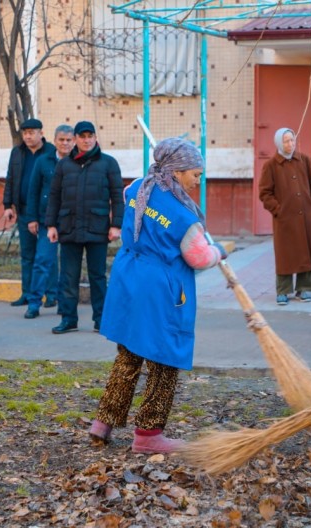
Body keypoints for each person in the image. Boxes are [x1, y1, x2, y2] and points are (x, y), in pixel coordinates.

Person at [89, 138, 226, 454]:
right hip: (160, 290)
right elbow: (199, 258)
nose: (198, 180)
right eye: (195, 174)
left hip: (129, 278)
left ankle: (103, 422)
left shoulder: (138, 187)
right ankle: (149, 434)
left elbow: (130, 202)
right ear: (176, 171)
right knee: (165, 358)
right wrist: (218, 251)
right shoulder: (183, 216)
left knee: (129, 352)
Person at [45, 120, 124, 334]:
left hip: (97, 228)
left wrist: (116, 225)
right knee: (68, 277)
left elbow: (118, 197)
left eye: (90, 136)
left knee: (97, 277)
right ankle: (69, 319)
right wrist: (51, 225)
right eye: (82, 136)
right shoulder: (64, 165)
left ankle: (101, 321)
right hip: (68, 227)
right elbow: (54, 196)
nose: (86, 140)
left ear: (95, 138)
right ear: (76, 139)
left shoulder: (108, 163)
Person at [258, 127, 311, 306]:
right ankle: (283, 290)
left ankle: (304, 288)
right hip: (285, 218)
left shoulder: (304, 160)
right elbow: (265, 193)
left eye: (292, 140)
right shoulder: (271, 165)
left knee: (307, 249)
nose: (290, 144)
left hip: (307, 215)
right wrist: (278, 210)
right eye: (286, 141)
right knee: (285, 253)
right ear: (279, 143)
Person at [2, 118, 56, 307]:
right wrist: (8, 205)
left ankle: (51, 294)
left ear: (41, 133)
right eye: (25, 133)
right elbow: (10, 178)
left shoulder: (51, 152)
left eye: (32, 132)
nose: (28, 136)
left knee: (46, 255)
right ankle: (27, 293)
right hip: (24, 210)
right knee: (27, 255)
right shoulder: (17, 153)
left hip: (47, 213)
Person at [23, 125, 74, 319]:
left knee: (69, 265)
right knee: (42, 261)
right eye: (61, 140)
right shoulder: (44, 161)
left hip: (71, 221)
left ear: (74, 141)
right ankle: (34, 303)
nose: (65, 143)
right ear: (55, 141)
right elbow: (33, 191)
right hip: (47, 220)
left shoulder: (79, 162)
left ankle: (65, 304)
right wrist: (32, 218)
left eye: (69, 140)